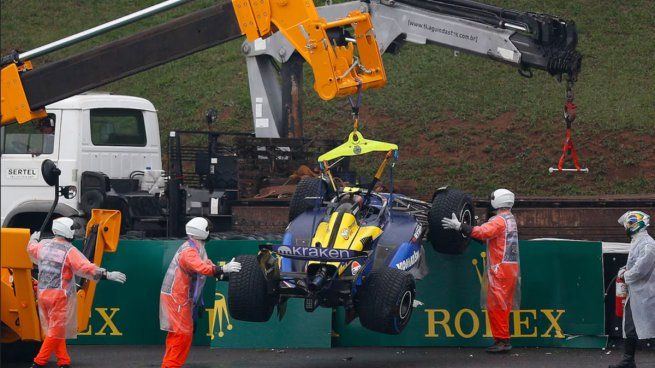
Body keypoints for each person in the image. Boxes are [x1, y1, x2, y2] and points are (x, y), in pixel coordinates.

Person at [28, 217, 127, 368]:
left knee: (56, 329)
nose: (74, 231)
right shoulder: (69, 251)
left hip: (42, 294)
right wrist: (107, 274)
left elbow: (31, 249)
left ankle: (64, 362)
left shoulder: (43, 246)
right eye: (72, 228)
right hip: (59, 296)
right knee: (55, 331)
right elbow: (85, 268)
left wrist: (33, 239)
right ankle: (38, 362)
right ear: (66, 230)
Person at [441, 188, 520, 353]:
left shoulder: (499, 220)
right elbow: (488, 238)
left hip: (500, 269)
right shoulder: (509, 219)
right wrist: (467, 230)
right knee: (502, 306)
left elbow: (483, 232)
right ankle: (503, 339)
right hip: (508, 268)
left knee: (496, 306)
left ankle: (502, 341)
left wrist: (460, 226)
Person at [160, 217, 241, 368]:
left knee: (179, 335)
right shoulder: (189, 251)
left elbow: (207, 264)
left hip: (181, 297)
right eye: (208, 229)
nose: (210, 232)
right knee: (181, 336)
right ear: (201, 232)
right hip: (177, 298)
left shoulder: (196, 247)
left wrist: (224, 273)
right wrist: (223, 269)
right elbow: (201, 268)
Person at [609, 211, 655, 368]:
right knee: (630, 326)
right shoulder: (638, 241)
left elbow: (641, 269)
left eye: (627, 224)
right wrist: (625, 269)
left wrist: (626, 274)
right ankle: (628, 361)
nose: (625, 228)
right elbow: (635, 265)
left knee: (649, 328)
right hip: (637, 294)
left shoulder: (648, 244)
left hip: (647, 294)